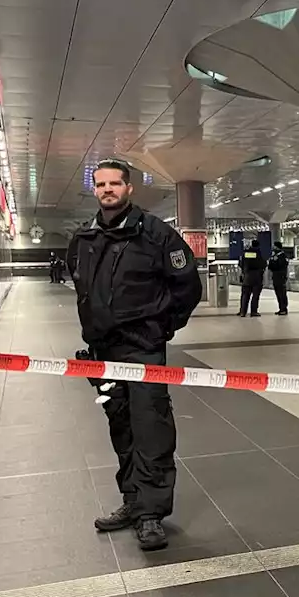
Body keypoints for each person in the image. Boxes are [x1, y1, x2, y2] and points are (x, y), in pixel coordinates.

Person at [67, 159, 202, 551]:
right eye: (101, 184)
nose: (108, 189)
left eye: (115, 183)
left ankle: (151, 515)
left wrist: (162, 328)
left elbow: (186, 287)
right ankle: (132, 500)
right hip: (101, 352)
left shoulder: (157, 236)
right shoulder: (85, 239)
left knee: (151, 428)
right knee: (121, 425)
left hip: (143, 350)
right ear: (95, 190)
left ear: (129, 189)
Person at [237, 239, 267, 317]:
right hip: (257, 277)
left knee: (245, 295)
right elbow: (263, 264)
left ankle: (242, 311)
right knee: (255, 296)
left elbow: (240, 263)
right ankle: (253, 311)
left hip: (247, 277)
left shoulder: (246, 253)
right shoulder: (259, 254)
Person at [268, 241, 290, 315]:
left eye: (274, 246)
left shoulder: (283, 256)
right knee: (278, 293)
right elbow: (270, 266)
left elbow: (280, 265)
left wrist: (274, 262)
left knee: (282, 293)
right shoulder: (274, 255)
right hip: (276, 276)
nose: (273, 248)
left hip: (281, 276)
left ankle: (284, 308)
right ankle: (281, 308)